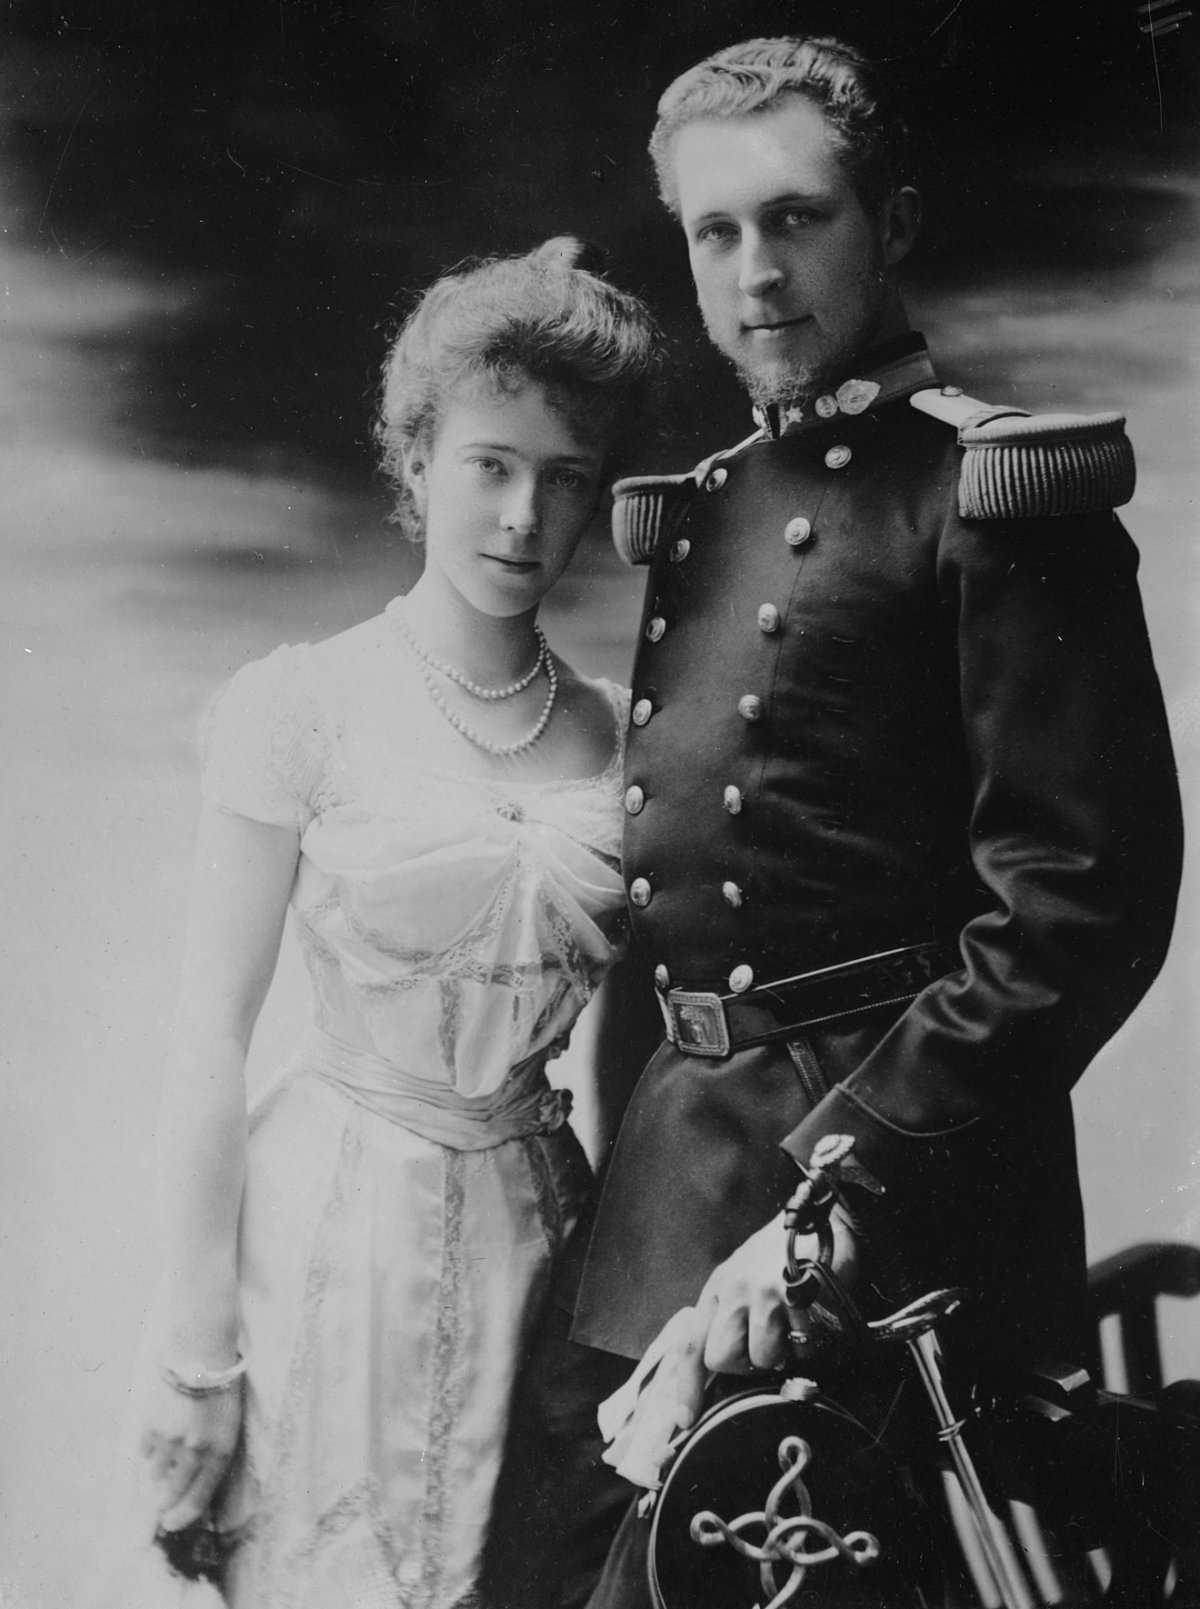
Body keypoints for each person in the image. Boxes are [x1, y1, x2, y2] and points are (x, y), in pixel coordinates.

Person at [485, 36, 1184, 1609]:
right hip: (663, 1215)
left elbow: (1077, 905)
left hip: (887, 1229)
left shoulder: (998, 498)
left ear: (895, 224)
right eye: (716, 234)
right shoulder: (709, 503)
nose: (757, 273)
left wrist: (835, 1204)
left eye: (797, 220)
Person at [81, 237, 661, 1609]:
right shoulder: (306, 705)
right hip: (333, 1241)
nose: (525, 516)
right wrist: (196, 1349)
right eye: (492, 465)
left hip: (543, 1243)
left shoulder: (620, 734)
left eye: (564, 478)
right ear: (416, 460)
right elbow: (205, 1038)